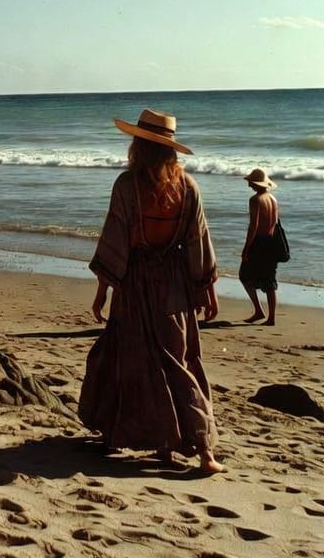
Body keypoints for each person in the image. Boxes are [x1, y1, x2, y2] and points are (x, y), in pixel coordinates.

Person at [79, 108, 223, 475]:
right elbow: (198, 242)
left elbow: (115, 241)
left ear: (139, 147)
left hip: (136, 283)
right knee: (181, 361)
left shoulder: (127, 186)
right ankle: (197, 449)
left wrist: (102, 290)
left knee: (134, 360)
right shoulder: (188, 187)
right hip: (175, 283)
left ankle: (143, 437)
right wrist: (207, 289)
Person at [239, 168, 279, 326]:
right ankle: (271, 318)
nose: (249, 185)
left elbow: (253, 226)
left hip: (258, 242)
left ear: (255, 183)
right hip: (271, 241)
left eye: (250, 182)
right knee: (270, 281)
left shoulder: (255, 200)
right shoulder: (273, 199)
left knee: (244, 276)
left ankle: (258, 310)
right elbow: (275, 224)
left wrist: (246, 248)